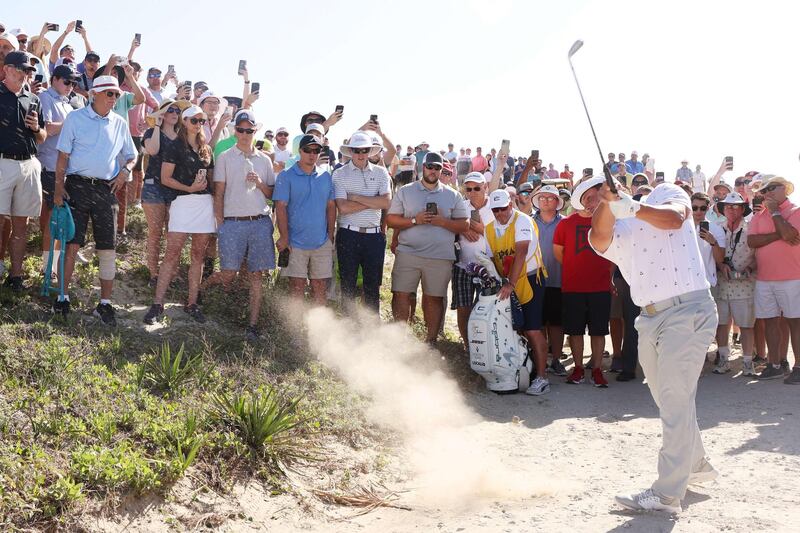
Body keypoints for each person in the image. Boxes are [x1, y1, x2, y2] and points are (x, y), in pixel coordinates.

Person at [590, 182, 718, 514]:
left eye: (599, 191)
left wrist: (628, 202)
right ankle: (696, 462)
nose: (595, 199)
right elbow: (600, 236)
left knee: (674, 399)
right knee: (669, 399)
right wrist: (609, 204)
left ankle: (666, 495)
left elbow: (675, 219)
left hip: (687, 310)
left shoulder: (663, 193)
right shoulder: (611, 231)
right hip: (648, 319)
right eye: (589, 200)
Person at [53, 75, 137, 323]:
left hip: (105, 190)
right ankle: (62, 298)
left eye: (116, 95)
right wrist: (59, 188)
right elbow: (62, 157)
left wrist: (125, 171)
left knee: (107, 248)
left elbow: (131, 156)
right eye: (109, 93)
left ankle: (105, 303)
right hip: (76, 187)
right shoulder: (75, 118)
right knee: (72, 245)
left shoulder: (120, 123)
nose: (114, 98)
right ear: (94, 94)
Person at [204, 109, 275, 339]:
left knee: (256, 276)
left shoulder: (265, 160)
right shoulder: (224, 157)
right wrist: (220, 222)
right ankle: (200, 291)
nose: (245, 134)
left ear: (255, 131)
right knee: (228, 274)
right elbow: (219, 191)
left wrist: (261, 183)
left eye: (249, 130)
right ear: (235, 131)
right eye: (241, 129)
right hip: (233, 223)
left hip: (259, 222)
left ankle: (252, 325)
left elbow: (272, 194)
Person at [143, 105, 215, 324]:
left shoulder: (206, 149)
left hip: (204, 203)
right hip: (182, 202)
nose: (198, 124)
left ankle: (192, 304)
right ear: (185, 121)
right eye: (194, 120)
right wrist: (189, 188)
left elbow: (211, 179)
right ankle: (157, 304)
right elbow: (165, 178)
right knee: (171, 254)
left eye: (202, 121)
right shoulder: (174, 145)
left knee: (198, 257)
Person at [386, 152, 468, 343]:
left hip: (440, 256)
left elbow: (464, 225)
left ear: (442, 170)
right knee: (401, 294)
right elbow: (390, 220)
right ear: (423, 167)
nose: (433, 170)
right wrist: (416, 220)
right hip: (408, 253)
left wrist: (442, 222)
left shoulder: (453, 195)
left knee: (434, 299)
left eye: (437, 167)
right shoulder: (405, 190)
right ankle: (399, 340)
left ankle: (430, 342)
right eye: (430, 166)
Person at [484, 189, 550, 394]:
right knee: (515, 330)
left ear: (510, 205)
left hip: (529, 280)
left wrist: (510, 283)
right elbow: (491, 258)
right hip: (508, 281)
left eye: (503, 209)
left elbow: (520, 252)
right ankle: (521, 372)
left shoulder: (522, 221)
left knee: (532, 329)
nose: (500, 214)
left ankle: (542, 378)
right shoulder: (488, 228)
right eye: (495, 210)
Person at [553, 177, 613, 387]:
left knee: (598, 331)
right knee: (575, 331)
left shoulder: (608, 221)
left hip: (600, 286)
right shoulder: (565, 223)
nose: (591, 202)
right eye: (587, 198)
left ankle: (597, 369)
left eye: (596, 198)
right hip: (573, 287)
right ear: (582, 200)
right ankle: (578, 369)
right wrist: (575, 267)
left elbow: (614, 254)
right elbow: (559, 253)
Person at [747, 176, 800, 384]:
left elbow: (791, 235)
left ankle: (798, 366)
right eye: (764, 190)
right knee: (769, 321)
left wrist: (777, 214)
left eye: (771, 188)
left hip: (793, 276)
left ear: (784, 189)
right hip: (765, 278)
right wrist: (779, 234)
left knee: (795, 322)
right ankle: (775, 364)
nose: (766, 193)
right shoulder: (759, 216)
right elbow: (752, 241)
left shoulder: (796, 211)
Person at [0, 51, 46, 288]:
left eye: (27, 70)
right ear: (6, 69)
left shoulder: (34, 99)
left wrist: (37, 128)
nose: (24, 74)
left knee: (21, 224)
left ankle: (15, 276)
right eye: (20, 69)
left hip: (28, 164)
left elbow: (43, 137)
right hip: (2, 163)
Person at [332, 131, 391, 313]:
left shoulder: (381, 173)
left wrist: (356, 197)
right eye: (357, 150)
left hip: (373, 236)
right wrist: (372, 201)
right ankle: (348, 329)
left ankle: (371, 330)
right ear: (350, 151)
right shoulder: (340, 174)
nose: (360, 154)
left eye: (364, 150)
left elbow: (386, 202)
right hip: (348, 234)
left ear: (370, 151)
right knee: (348, 285)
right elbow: (343, 207)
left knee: (372, 286)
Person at [274, 134, 335, 305]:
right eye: (308, 150)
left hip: (321, 241)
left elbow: (331, 207)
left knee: (320, 286)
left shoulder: (326, 176)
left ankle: (318, 329)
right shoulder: (286, 176)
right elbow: (280, 207)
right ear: (300, 151)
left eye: (316, 150)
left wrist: (330, 236)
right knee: (297, 287)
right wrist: (285, 237)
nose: (312, 153)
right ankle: (296, 329)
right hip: (295, 243)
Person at [37, 64, 78, 276]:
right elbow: (47, 129)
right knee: (53, 218)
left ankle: (53, 267)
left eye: (73, 83)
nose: (71, 86)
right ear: (54, 79)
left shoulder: (69, 106)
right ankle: (46, 267)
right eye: (67, 81)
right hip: (49, 166)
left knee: (60, 220)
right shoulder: (44, 97)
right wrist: (71, 123)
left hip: (64, 170)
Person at [140, 99, 185, 285]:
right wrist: (157, 125)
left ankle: (171, 273)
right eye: (170, 110)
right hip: (153, 187)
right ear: (162, 114)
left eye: (177, 110)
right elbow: (153, 150)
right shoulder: (151, 132)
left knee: (173, 233)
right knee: (155, 232)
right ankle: (153, 274)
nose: (175, 113)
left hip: (174, 189)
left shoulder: (182, 136)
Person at [714, 192, 756, 375]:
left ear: (742, 209)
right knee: (722, 324)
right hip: (722, 284)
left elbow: (759, 254)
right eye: (728, 206)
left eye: (735, 206)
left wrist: (751, 267)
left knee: (746, 325)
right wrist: (719, 265)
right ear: (722, 209)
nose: (731, 210)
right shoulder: (716, 229)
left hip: (744, 284)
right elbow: (710, 255)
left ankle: (747, 363)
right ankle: (724, 360)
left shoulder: (750, 229)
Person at [451, 172, 493, 352]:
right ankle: (469, 348)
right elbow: (449, 230)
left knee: (487, 310)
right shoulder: (459, 206)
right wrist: (462, 229)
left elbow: (503, 233)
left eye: (477, 188)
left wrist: (480, 230)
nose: (473, 192)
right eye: (468, 189)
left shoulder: (496, 206)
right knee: (463, 308)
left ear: (486, 187)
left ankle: (486, 348)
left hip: (489, 267)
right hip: (463, 265)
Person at [531, 185, 567, 376]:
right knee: (539, 322)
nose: (545, 200)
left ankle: (556, 360)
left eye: (550, 198)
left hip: (558, 279)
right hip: (534, 280)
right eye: (542, 198)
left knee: (556, 323)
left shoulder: (565, 223)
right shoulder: (528, 222)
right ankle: (541, 359)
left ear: (557, 202)